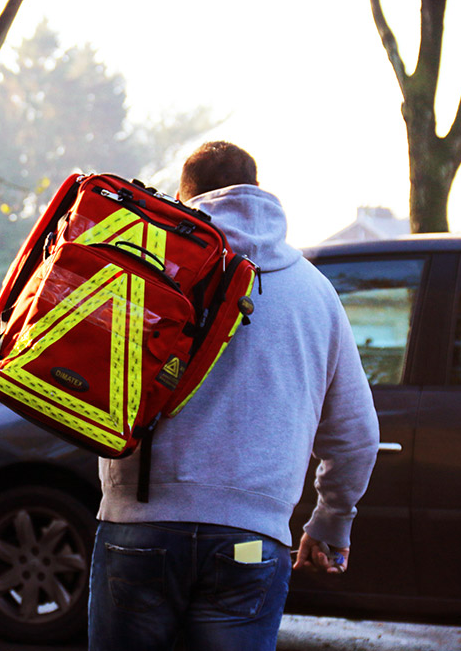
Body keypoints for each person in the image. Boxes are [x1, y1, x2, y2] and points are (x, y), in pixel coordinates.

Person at [87, 141, 379, 651]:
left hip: (140, 533)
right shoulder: (316, 295)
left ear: (184, 198)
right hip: (251, 541)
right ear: (258, 190)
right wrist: (331, 522)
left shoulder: (149, 268)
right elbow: (356, 436)